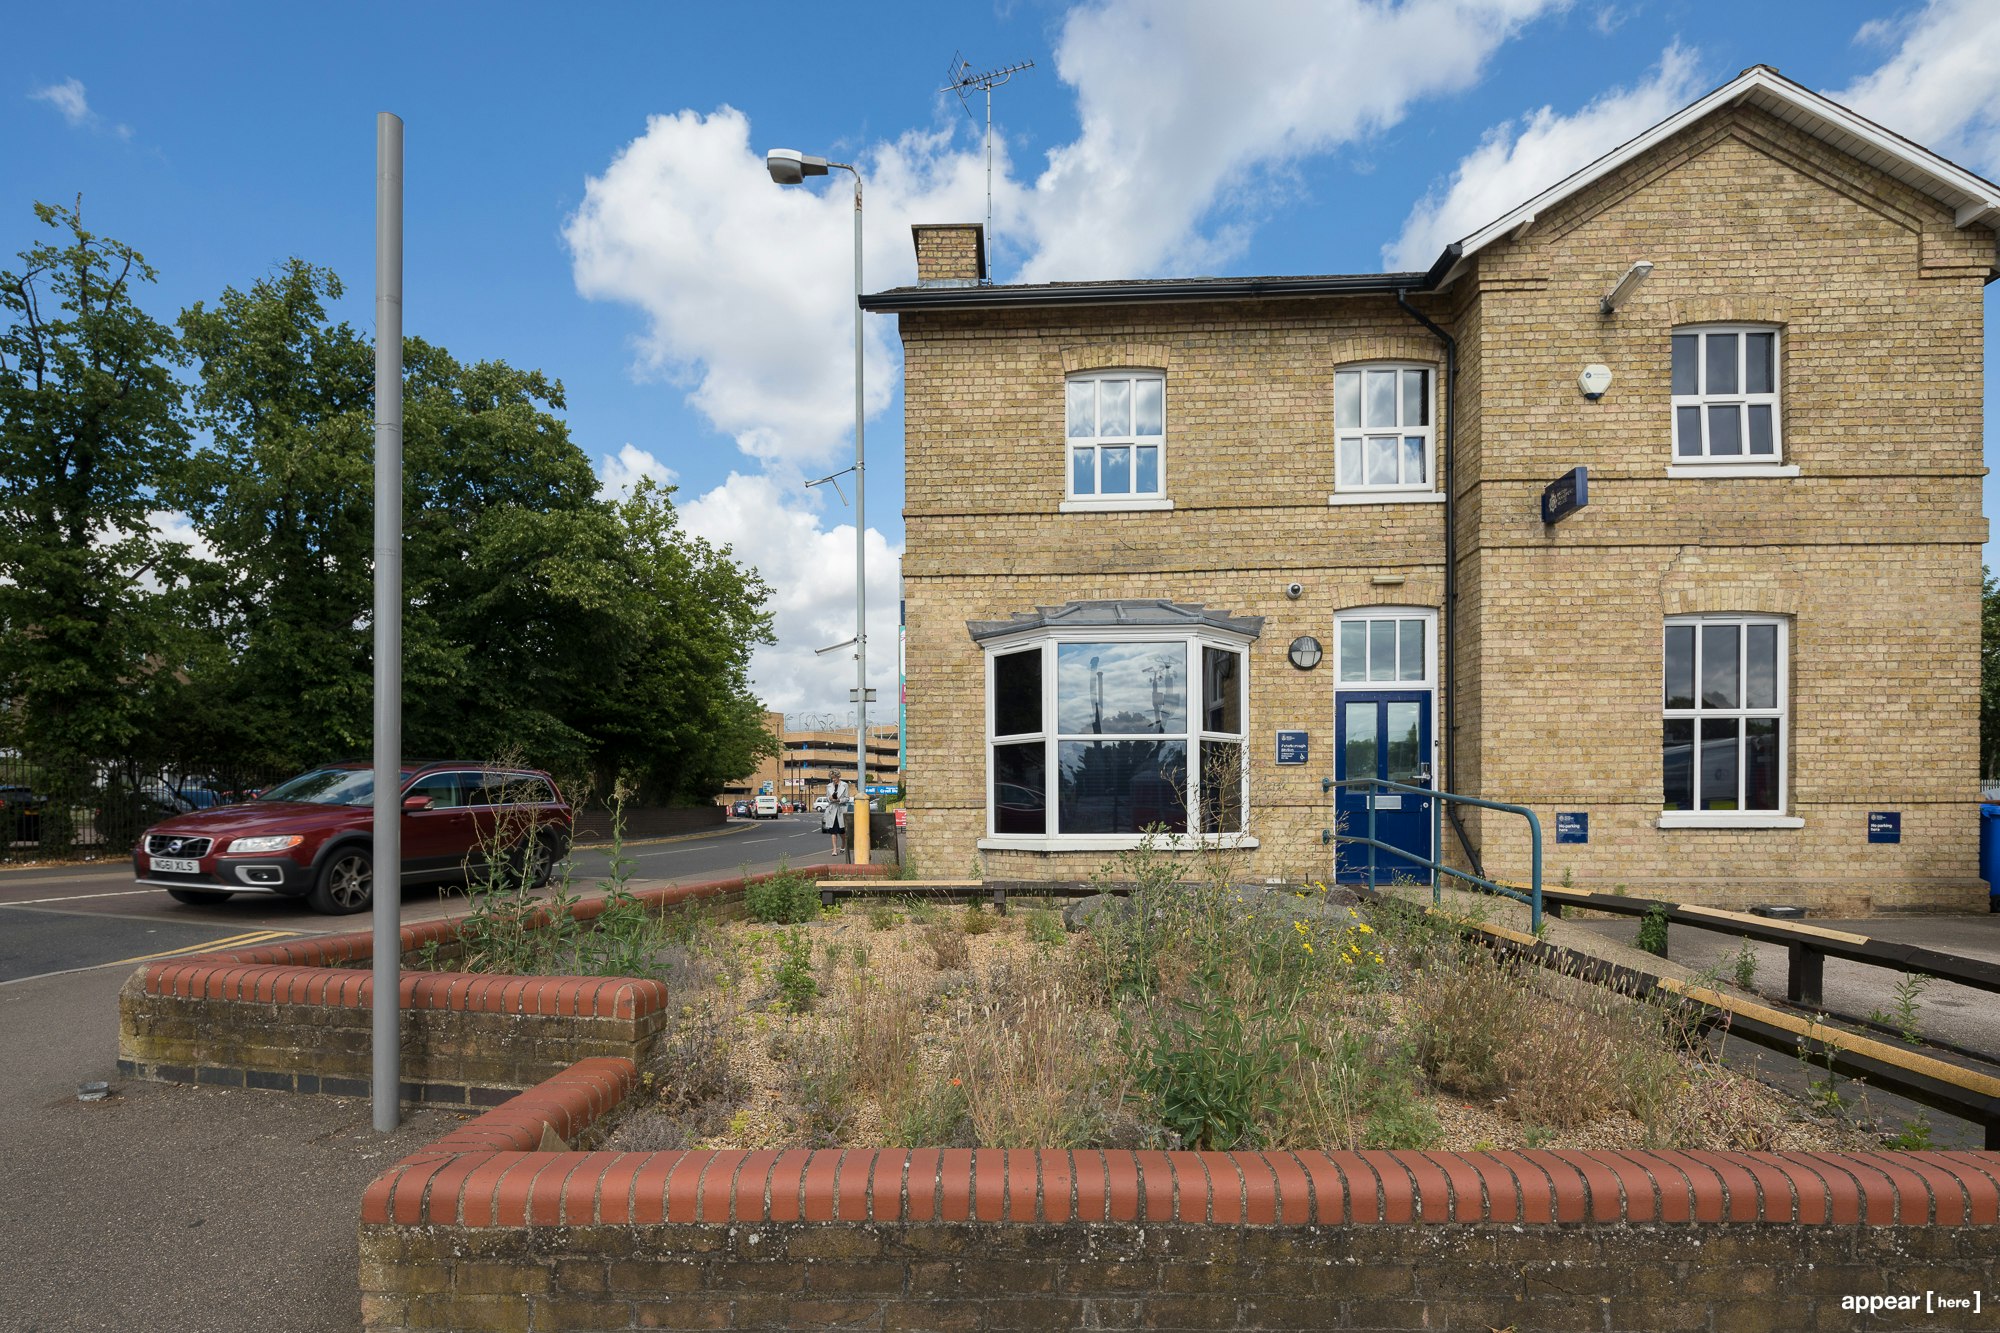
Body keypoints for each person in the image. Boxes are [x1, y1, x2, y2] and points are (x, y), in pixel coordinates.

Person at [823, 777, 850, 853]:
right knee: (833, 831)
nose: (833, 780)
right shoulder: (829, 785)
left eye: (835, 778)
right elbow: (827, 798)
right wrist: (830, 798)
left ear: (838, 777)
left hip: (841, 810)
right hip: (832, 810)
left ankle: (843, 844)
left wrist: (839, 800)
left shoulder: (845, 785)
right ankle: (834, 850)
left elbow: (847, 798)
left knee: (841, 831)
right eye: (832, 778)